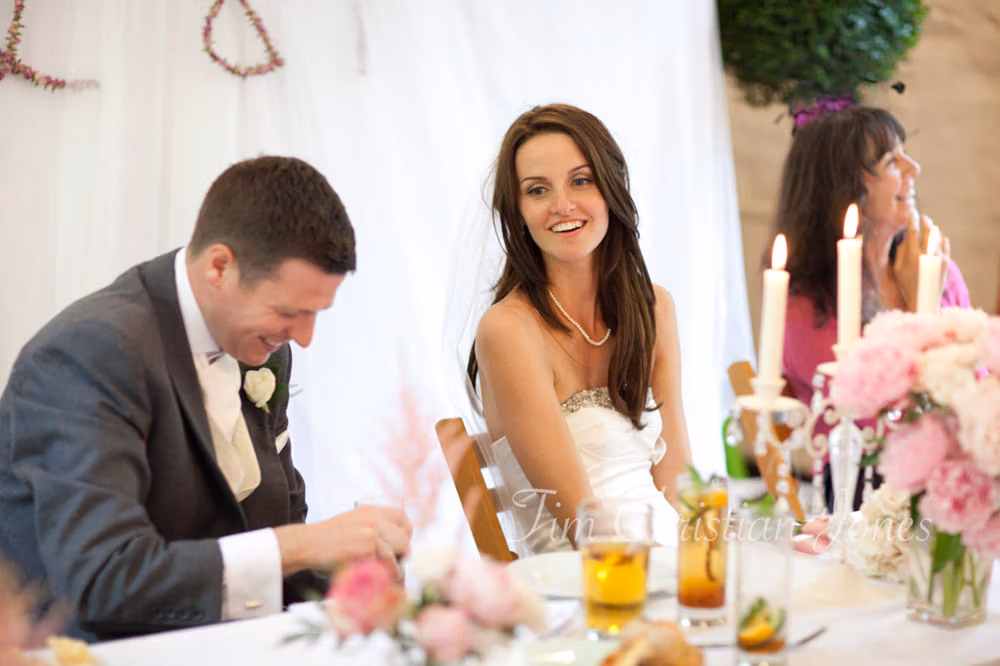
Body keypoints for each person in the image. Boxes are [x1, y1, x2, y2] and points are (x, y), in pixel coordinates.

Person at [0, 156, 412, 641]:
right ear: (220, 266)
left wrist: (348, 581)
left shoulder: (262, 347)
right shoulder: (92, 352)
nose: (304, 338)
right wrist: (301, 546)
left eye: (316, 313)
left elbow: (275, 520)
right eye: (288, 311)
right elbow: (104, 577)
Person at [466, 104, 692, 555]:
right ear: (518, 213)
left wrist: (706, 567)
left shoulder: (654, 308)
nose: (562, 205)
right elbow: (583, 525)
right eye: (537, 190)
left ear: (611, 189)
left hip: (669, 563)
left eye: (581, 180)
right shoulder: (509, 330)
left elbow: (679, 484)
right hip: (582, 584)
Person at [773, 106, 971, 509]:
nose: (914, 167)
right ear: (844, 189)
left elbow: (977, 386)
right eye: (891, 161)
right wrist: (922, 311)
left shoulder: (939, 272)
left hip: (955, 483)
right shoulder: (806, 309)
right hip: (861, 496)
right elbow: (879, 422)